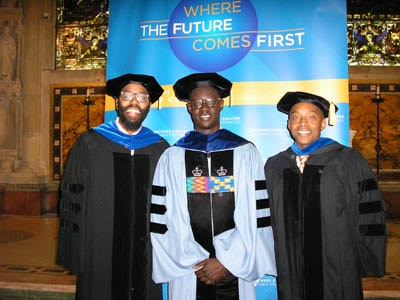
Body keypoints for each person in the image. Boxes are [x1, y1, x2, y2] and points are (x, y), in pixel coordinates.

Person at [150, 72, 276, 300]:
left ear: (221, 105)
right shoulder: (173, 156)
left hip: (235, 266)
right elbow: (164, 216)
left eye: (210, 102)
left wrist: (227, 261)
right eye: (197, 103)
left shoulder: (245, 152)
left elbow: (255, 215)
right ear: (189, 107)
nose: (204, 108)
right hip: (190, 267)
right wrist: (194, 260)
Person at [264, 91, 387, 300]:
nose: (303, 123)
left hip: (337, 265)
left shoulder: (348, 160)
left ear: (322, 124)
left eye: (311, 117)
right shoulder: (275, 164)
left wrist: (367, 257)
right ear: (288, 124)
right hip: (290, 266)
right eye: (296, 117)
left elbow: (369, 210)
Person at [57, 73, 169, 300]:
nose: (134, 102)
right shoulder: (90, 143)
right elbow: (73, 201)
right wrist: (77, 253)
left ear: (149, 104)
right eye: (127, 95)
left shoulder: (159, 147)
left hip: (146, 249)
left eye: (142, 97)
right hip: (100, 249)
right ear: (117, 102)